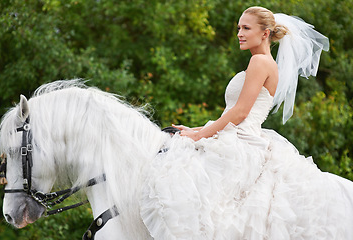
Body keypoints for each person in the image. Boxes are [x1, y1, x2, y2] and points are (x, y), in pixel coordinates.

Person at [140, 6, 353, 239]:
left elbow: (241, 113)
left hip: (242, 140)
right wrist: (196, 129)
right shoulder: (260, 62)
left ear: (264, 33)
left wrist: (198, 136)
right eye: (239, 28)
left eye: (246, 28)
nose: (239, 33)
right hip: (234, 134)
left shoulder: (260, 62)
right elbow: (231, 113)